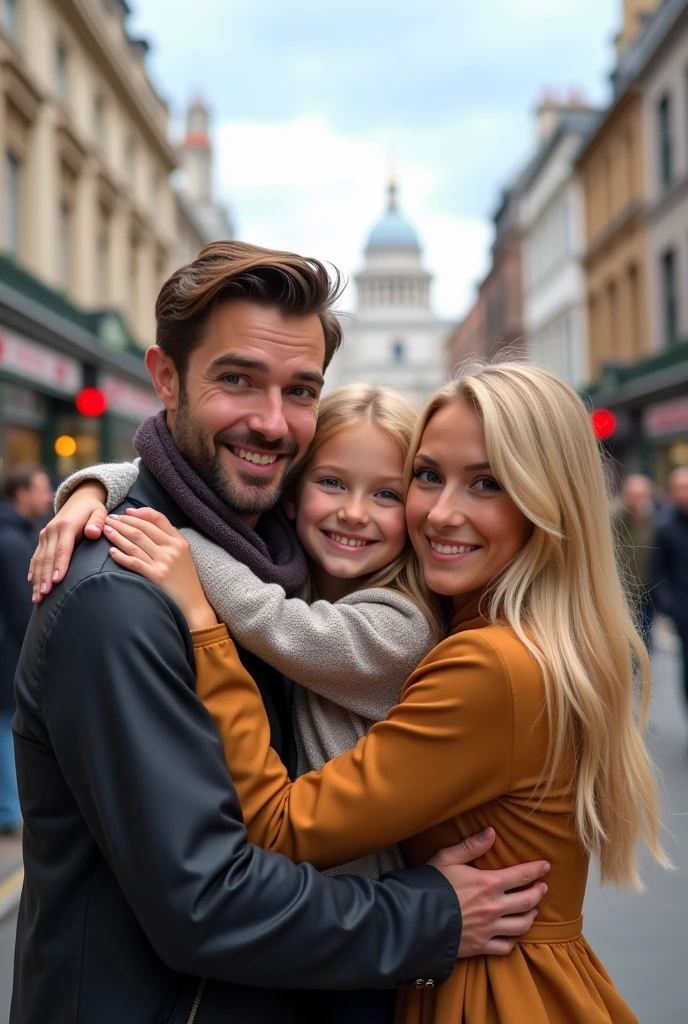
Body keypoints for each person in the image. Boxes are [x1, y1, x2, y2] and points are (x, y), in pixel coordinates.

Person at [16, 244, 548, 1024]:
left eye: (300, 391)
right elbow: (206, 899)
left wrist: (103, 485)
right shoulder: (121, 596)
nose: (272, 422)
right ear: (165, 379)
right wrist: (428, 913)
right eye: (237, 379)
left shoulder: (269, 563)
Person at [95, 361, 666, 1023]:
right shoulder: (489, 623)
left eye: (487, 483)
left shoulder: (491, 664)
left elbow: (281, 826)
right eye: (428, 476)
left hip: (491, 992)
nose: (441, 513)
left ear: (549, 501)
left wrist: (201, 625)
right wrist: (97, 487)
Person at [0, 465, 53, 835]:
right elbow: (24, 608)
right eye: (41, 489)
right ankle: (10, 813)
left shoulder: (17, 536)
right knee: (8, 728)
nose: (48, 495)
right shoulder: (13, 542)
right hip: (10, 656)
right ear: (21, 494)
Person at [651, 465, 688, 729]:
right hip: (684, 612)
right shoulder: (665, 528)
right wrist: (672, 608)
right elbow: (658, 571)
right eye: (679, 488)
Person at [614, 474, 656, 647]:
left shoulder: (651, 519)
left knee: (645, 635)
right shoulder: (614, 516)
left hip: (646, 588)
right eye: (633, 495)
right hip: (621, 589)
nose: (637, 500)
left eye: (642, 495)